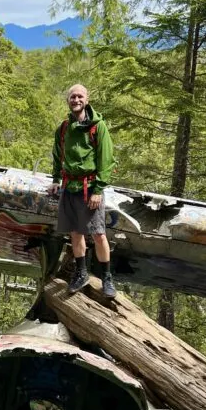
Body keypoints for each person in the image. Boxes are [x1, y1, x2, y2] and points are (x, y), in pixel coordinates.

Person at [47, 84, 117, 299]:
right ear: (68, 100)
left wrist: (98, 189)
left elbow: (106, 160)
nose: (76, 100)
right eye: (72, 97)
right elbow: (58, 154)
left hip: (89, 187)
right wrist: (57, 179)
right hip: (70, 187)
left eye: (80, 96)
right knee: (75, 233)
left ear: (86, 99)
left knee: (98, 234)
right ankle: (81, 273)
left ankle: (107, 278)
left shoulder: (98, 127)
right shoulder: (65, 127)